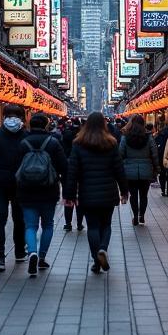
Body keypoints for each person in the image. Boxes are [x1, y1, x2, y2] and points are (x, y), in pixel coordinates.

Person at [64, 112, 127, 274]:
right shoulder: (111, 143)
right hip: (108, 192)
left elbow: (72, 172)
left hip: (87, 193)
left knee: (92, 227)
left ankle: (96, 260)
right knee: (106, 225)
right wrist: (124, 191)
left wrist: (69, 195)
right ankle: (103, 249)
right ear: (104, 125)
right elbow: (119, 169)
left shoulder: (78, 144)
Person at [15, 113, 68, 276]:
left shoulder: (23, 143)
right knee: (47, 224)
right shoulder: (53, 143)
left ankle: (32, 252)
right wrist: (67, 190)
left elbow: (16, 167)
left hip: (27, 190)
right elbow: (64, 166)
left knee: (30, 225)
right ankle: (42, 257)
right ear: (46, 125)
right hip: (48, 190)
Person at [0, 105, 29, 272]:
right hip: (20, 183)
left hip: (0, 182)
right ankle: (19, 251)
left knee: (0, 221)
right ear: (22, 118)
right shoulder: (26, 136)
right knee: (19, 219)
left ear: (3, 116)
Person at [119, 115, 159, 226]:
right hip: (146, 170)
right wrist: (157, 168)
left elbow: (120, 154)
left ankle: (135, 216)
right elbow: (154, 153)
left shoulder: (125, 137)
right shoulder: (149, 137)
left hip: (130, 171)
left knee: (133, 195)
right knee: (143, 195)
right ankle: (142, 215)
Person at [60, 118, 84, 233]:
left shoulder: (65, 135)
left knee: (68, 196)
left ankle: (68, 223)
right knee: (80, 198)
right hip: (81, 171)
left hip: (67, 170)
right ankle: (79, 223)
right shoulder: (82, 138)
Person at [155, 119, 168, 197]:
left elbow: (155, 146)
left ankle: (163, 190)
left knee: (162, 174)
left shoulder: (159, 135)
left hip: (161, 157)